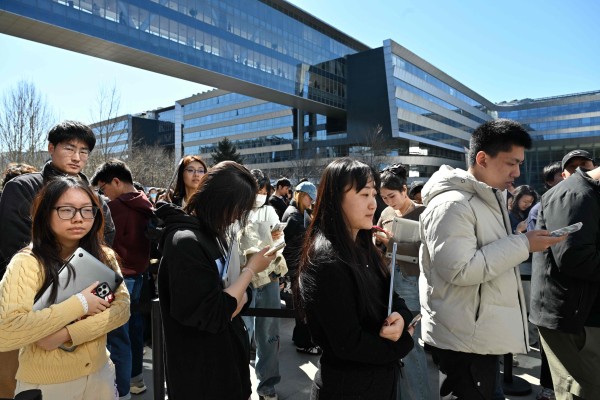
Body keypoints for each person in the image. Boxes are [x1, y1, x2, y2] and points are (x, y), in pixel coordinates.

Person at [419, 119, 566, 399]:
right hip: (464, 341)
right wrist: (523, 243)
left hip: (477, 336)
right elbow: (460, 270)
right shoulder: (453, 204)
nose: (517, 171)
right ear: (482, 159)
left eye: (520, 163)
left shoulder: (485, 199)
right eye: (511, 162)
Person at [0, 120, 116, 398]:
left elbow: (105, 245)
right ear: (51, 148)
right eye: (70, 148)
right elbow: (15, 246)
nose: (77, 157)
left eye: (84, 151)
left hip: (85, 312)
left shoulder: (95, 197)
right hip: (33, 307)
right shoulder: (24, 187)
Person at [156, 161, 276, 400]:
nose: (237, 217)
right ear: (219, 200)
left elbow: (241, 295)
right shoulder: (185, 242)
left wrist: (238, 290)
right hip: (202, 376)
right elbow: (214, 314)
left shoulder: (214, 233)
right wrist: (250, 270)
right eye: (237, 209)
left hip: (227, 365)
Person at [296, 158, 415, 400]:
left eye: (374, 194)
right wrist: (404, 343)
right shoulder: (326, 260)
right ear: (334, 198)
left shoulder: (363, 245)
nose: (373, 204)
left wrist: (401, 318)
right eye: (363, 194)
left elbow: (391, 295)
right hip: (348, 388)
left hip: (379, 382)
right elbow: (348, 344)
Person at [530, 160, 600, 399]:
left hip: (584, 315)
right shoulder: (575, 194)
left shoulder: (589, 193)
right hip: (575, 320)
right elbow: (574, 258)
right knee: (584, 391)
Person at [91, 159, 154, 399]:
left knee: (115, 336)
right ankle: (135, 379)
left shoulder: (116, 208)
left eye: (103, 188)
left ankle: (119, 390)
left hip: (114, 278)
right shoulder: (146, 202)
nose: (103, 194)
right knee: (134, 330)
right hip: (139, 275)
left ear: (116, 182)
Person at [376, 164, 429, 400]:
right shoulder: (386, 213)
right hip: (387, 277)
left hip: (412, 279)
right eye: (384, 197)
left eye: (392, 196)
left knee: (410, 345)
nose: (389, 202)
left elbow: (428, 252)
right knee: (392, 342)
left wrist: (390, 243)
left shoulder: (423, 213)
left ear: (405, 190)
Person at [239, 169, 287, 400]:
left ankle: (267, 384)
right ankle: (239, 385)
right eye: (258, 189)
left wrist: (277, 241)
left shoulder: (269, 210)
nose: (261, 194)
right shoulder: (236, 210)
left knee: (269, 335)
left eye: (264, 190)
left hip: (268, 276)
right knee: (241, 333)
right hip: (243, 278)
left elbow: (279, 238)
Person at [282, 180, 321, 355]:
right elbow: (294, 243)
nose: (311, 202)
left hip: (297, 264)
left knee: (301, 305)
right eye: (310, 199)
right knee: (302, 306)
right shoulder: (294, 216)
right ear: (302, 196)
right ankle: (303, 342)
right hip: (296, 266)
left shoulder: (297, 213)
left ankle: (299, 337)